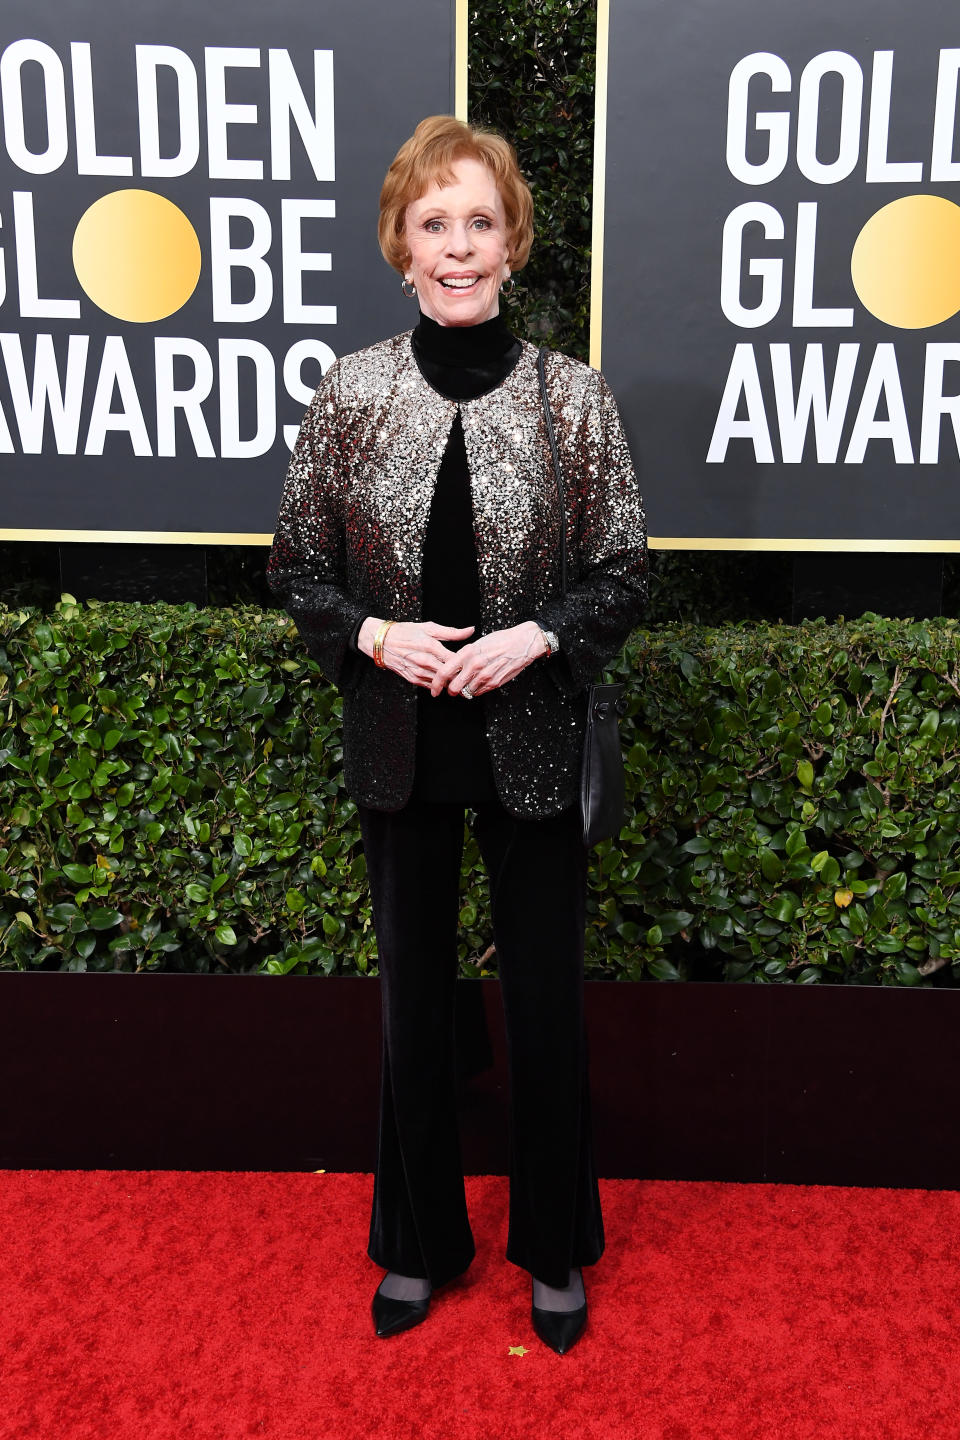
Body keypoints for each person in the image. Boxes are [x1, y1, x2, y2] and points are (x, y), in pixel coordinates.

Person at [266, 115, 647, 1355]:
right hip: (402, 742)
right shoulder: (352, 390)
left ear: (513, 239)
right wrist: (379, 638)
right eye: (436, 223)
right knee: (413, 1007)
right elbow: (297, 567)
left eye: (480, 221)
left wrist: (535, 636)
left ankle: (553, 1248)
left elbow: (624, 574)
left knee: (544, 1003)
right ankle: (417, 1243)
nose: (459, 245)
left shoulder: (571, 399)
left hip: (531, 738)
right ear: (402, 244)